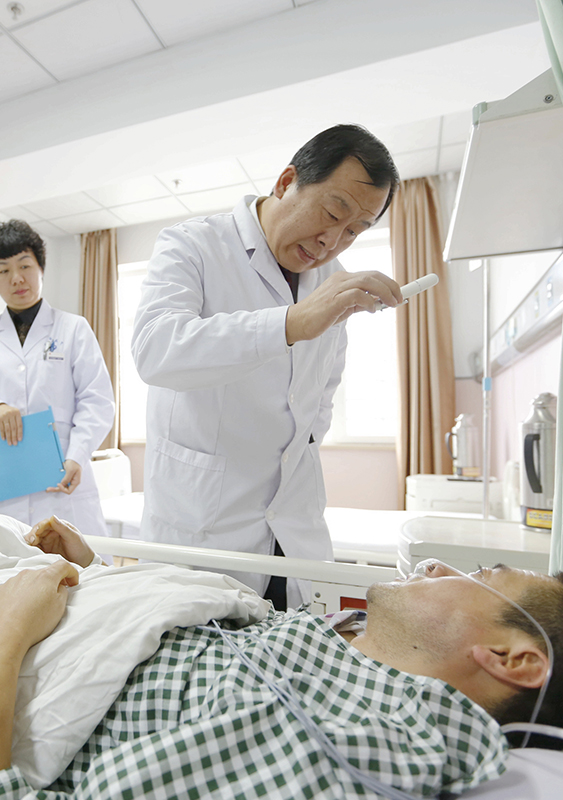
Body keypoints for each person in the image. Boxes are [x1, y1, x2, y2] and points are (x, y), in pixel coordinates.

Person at [0, 521, 563, 800]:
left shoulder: (340, 746)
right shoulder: (341, 662)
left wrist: (5, 634)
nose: (440, 566)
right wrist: (104, 580)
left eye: (484, 576)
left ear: (511, 659)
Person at [131, 124, 403, 609]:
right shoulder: (192, 246)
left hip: (294, 527)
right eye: (332, 212)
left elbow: (322, 392)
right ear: (286, 182)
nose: (331, 241)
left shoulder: (333, 278)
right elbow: (156, 350)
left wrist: (306, 440)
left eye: (354, 231)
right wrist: (291, 323)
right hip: (204, 528)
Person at [0, 221, 115, 534]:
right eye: (3, 270)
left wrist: (77, 456)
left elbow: (97, 401)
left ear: (41, 267)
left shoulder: (74, 328)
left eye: (25, 265)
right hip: (5, 476)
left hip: (63, 471)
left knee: (72, 557)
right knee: (10, 556)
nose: (16, 278)